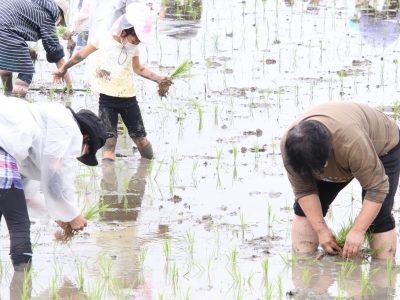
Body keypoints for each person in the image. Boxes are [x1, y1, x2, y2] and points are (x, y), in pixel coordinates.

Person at [53, 3, 173, 161]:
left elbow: (138, 68)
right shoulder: (102, 38)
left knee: (141, 139)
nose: (137, 42)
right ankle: (109, 184)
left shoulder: (133, 47)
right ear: (124, 31)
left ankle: (148, 167)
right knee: (109, 143)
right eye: (135, 38)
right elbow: (80, 55)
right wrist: (63, 68)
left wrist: (159, 79)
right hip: (107, 101)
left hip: (129, 100)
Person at [281, 102, 400, 259]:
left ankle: (383, 275)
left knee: (379, 219)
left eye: (318, 171)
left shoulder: (350, 142)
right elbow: (304, 190)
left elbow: (377, 188)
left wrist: (358, 230)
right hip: (331, 155)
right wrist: (321, 230)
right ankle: (304, 268)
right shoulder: (291, 148)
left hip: (382, 147)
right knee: (305, 212)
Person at [0, 95, 107, 271]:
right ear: (85, 137)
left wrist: (59, 215)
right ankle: (21, 286)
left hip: (5, 148)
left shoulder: (38, 130)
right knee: (19, 223)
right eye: (87, 151)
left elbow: (24, 197)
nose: (80, 155)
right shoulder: (67, 126)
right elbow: (54, 178)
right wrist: (73, 215)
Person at [0, 0, 72, 98]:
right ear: (60, 14)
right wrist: (69, 86)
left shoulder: (32, 4)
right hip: (5, 29)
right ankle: (16, 105)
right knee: (26, 70)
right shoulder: (47, 17)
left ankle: (7, 95)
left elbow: (15, 27)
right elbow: (57, 55)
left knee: (6, 63)